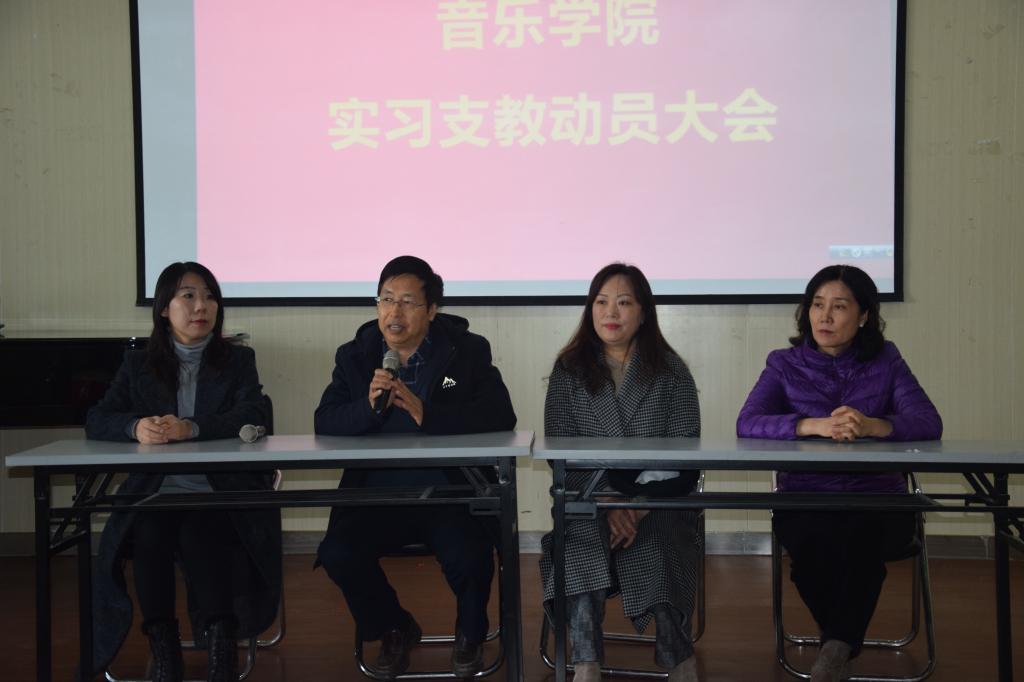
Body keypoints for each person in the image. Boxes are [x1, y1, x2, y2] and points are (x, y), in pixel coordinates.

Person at [314, 255, 517, 678]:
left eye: (407, 302)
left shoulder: (466, 352)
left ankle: (470, 635)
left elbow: (500, 415)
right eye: (386, 299)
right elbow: (325, 421)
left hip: (448, 492)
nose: (395, 312)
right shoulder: (356, 356)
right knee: (337, 553)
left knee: (470, 553)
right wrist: (367, 408)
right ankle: (394, 627)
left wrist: (430, 415)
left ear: (432, 310)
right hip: (378, 495)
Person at [736, 264, 942, 682]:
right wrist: (810, 425)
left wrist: (874, 425)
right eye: (817, 305)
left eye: (839, 307)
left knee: (862, 544)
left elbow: (928, 422)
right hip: (806, 495)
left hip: (879, 497)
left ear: (864, 315)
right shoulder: (784, 364)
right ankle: (841, 646)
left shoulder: (886, 360)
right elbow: (748, 422)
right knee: (811, 552)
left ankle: (834, 649)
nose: (825, 317)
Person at [83, 262, 281, 682]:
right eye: (188, 296)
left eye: (209, 297)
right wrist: (134, 427)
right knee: (150, 534)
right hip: (155, 492)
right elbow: (98, 418)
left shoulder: (238, 360)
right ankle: (165, 648)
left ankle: (222, 646)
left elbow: (254, 414)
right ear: (163, 308)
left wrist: (192, 428)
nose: (201, 306)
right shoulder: (138, 364)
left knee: (199, 531)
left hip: (219, 491)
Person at [539, 263, 702, 682]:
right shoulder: (569, 370)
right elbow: (560, 455)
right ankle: (586, 664)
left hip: (656, 506)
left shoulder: (671, 372)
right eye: (601, 301)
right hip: (588, 502)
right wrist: (609, 501)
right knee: (579, 543)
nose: (611, 312)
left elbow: (684, 454)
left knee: (657, 546)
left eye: (624, 302)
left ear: (643, 313)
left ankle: (679, 658)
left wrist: (637, 505)